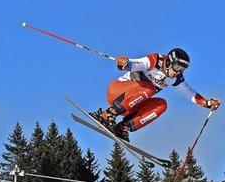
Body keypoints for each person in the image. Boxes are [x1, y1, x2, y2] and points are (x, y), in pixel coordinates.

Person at [91, 48, 220, 141]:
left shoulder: (175, 78)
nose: (178, 72)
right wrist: (125, 63)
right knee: (149, 89)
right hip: (117, 93)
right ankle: (107, 115)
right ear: (169, 62)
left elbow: (188, 92)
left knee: (162, 105)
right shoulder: (155, 61)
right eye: (177, 67)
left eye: (182, 69)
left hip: (131, 106)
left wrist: (206, 103)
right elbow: (137, 63)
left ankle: (124, 127)